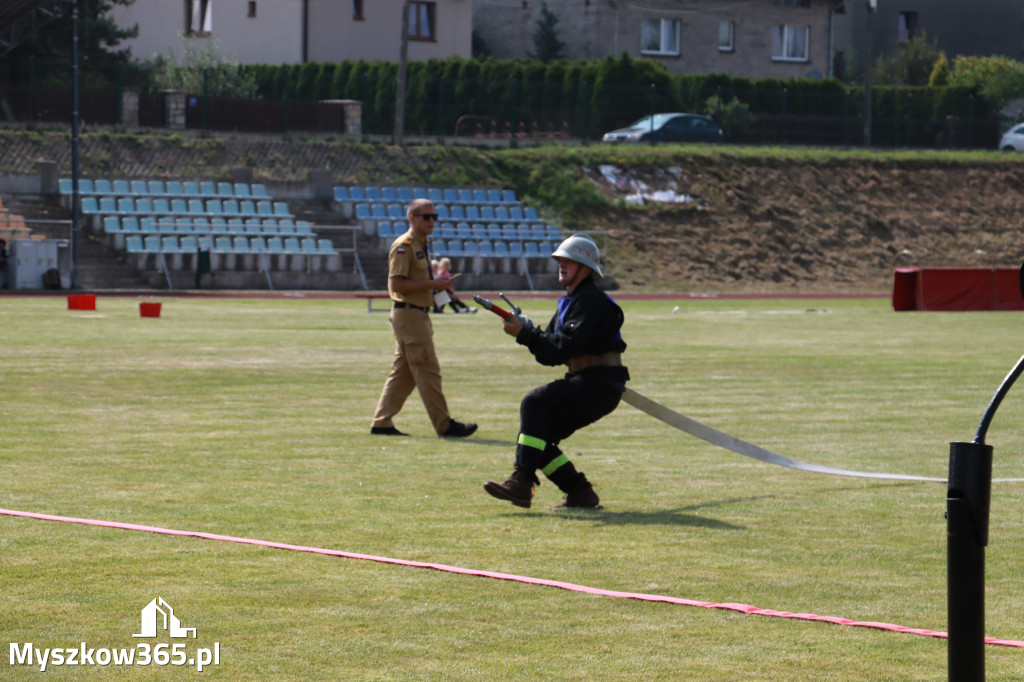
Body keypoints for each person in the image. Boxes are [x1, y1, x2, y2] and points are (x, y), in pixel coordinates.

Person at [484, 233, 628, 509]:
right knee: (540, 437)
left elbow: (562, 348)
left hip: (598, 384)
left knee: (535, 402)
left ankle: (521, 482)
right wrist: (526, 332)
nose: (561, 265)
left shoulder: (589, 301)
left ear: (586, 268)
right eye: (559, 260)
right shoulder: (573, 301)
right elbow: (549, 354)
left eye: (569, 261)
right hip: (589, 382)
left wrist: (525, 336)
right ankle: (580, 493)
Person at [370, 198, 478, 438]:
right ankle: (444, 425)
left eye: (434, 217)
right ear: (412, 218)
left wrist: (435, 286)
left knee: (404, 373)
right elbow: (396, 283)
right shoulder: (404, 245)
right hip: (409, 314)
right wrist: (433, 283)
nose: (432, 221)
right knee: (428, 369)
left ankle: (381, 421)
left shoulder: (421, 245)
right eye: (426, 217)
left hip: (416, 314)